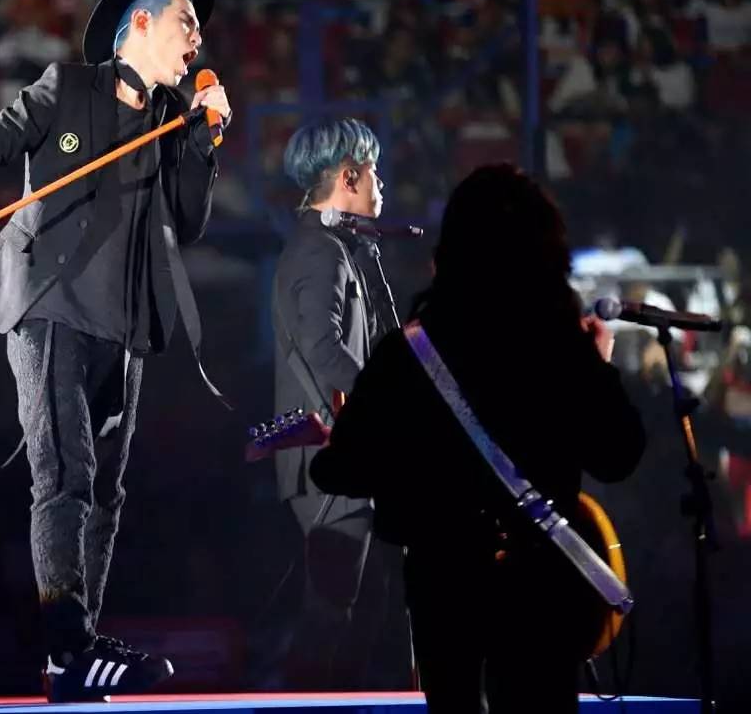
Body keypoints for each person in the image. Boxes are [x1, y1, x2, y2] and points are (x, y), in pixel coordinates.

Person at [0, 0, 231, 702]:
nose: (198, 39)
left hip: (122, 325)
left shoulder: (171, 118)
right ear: (143, 22)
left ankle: (75, 653)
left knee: (106, 492)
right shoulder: (66, 88)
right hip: (50, 305)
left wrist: (202, 140)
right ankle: (68, 646)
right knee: (64, 475)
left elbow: (187, 220)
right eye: (188, 23)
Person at [311, 163, 647, 712]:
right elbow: (619, 454)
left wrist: (360, 440)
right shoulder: (563, 350)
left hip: (444, 587)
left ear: (451, 252)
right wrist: (599, 366)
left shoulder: (408, 353)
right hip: (542, 589)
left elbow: (340, 470)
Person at [268, 119, 401, 688]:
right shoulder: (320, 252)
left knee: (362, 602)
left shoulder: (328, 246)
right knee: (334, 608)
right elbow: (321, 346)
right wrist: (387, 403)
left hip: (334, 452)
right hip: (326, 456)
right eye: (374, 173)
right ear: (349, 176)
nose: (381, 185)